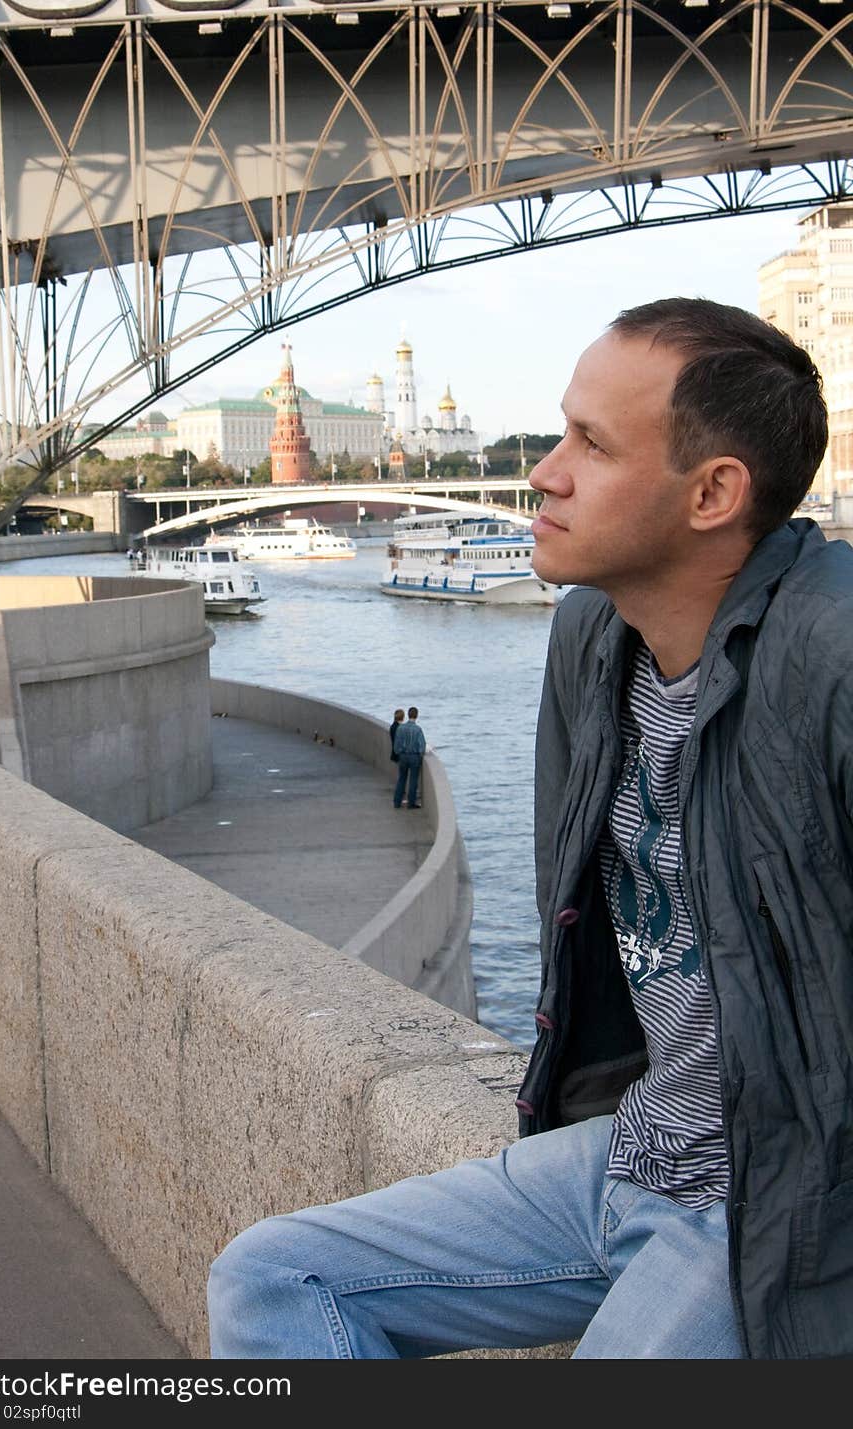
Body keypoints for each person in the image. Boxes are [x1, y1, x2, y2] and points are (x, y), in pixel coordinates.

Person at [207, 297, 852, 1360]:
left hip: (779, 1210)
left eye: (590, 445)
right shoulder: (593, 635)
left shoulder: (829, 656)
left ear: (713, 491)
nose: (543, 473)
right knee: (274, 1278)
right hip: (634, 1152)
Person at [391, 706, 426, 809]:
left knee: (401, 778)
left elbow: (396, 746)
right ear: (416, 716)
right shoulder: (418, 729)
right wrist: (419, 754)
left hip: (403, 756)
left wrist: (399, 753)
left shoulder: (400, 728)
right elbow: (422, 746)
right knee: (413, 780)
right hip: (414, 757)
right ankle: (411, 803)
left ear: (408, 715)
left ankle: (397, 802)